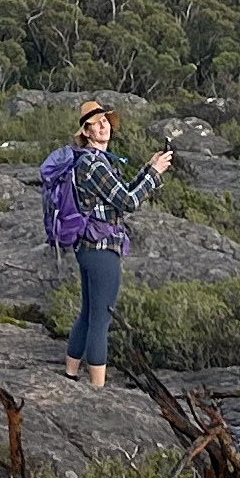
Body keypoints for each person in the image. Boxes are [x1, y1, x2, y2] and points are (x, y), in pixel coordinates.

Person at [43, 97, 173, 388]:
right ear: (86, 132)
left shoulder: (89, 161)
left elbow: (120, 193)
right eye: (96, 124)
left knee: (88, 311)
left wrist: (147, 169)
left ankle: (71, 373)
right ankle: (97, 389)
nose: (103, 126)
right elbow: (127, 202)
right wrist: (155, 175)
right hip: (102, 248)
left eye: (105, 121)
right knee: (101, 318)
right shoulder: (94, 164)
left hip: (87, 247)